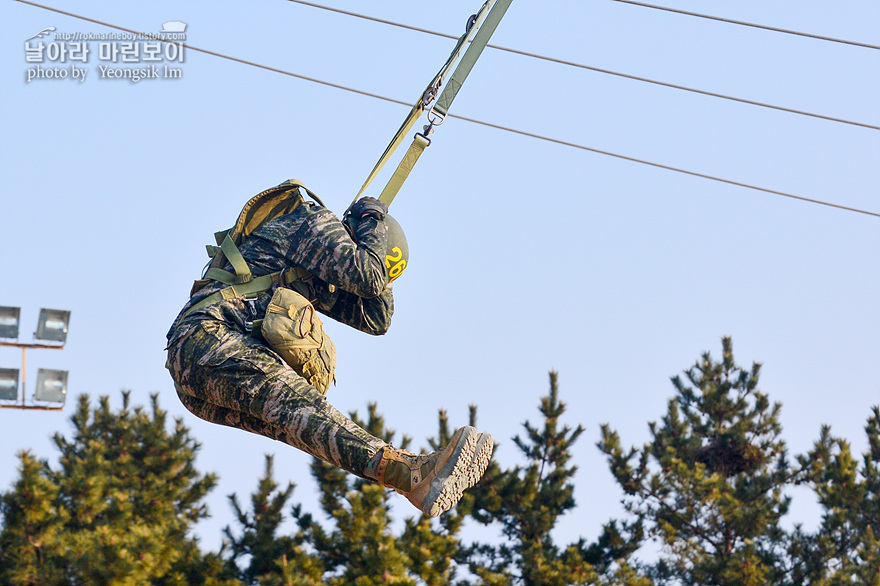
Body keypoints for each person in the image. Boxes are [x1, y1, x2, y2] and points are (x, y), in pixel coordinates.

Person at [165, 185, 493, 517]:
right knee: (302, 404)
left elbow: (375, 319)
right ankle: (409, 471)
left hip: (199, 374)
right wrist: (373, 220)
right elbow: (369, 276)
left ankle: (408, 478)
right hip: (206, 337)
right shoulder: (310, 221)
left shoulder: (314, 270)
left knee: (304, 423)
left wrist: (380, 256)